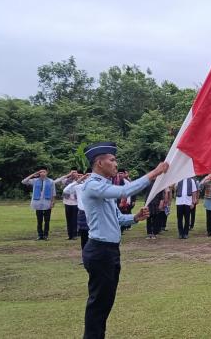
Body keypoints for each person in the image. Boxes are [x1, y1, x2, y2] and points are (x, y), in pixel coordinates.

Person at [80, 141, 169, 339]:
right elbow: (123, 192)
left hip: (109, 251)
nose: (115, 163)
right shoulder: (93, 186)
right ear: (99, 163)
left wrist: (135, 218)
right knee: (99, 304)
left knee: (105, 302)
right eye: (112, 160)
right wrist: (154, 173)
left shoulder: (104, 186)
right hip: (100, 251)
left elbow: (117, 218)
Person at [21, 166, 56, 240]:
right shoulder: (35, 180)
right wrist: (34, 174)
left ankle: (46, 235)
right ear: (39, 173)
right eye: (40, 172)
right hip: (38, 203)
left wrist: (52, 202)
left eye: (44, 172)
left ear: (47, 172)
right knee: (39, 220)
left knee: (47, 220)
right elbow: (24, 181)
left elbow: (53, 193)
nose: (42, 173)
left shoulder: (51, 181)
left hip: (47, 202)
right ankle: (40, 235)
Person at [63, 171, 91, 252]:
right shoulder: (79, 187)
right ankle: (85, 256)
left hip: (94, 213)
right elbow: (66, 190)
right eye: (87, 176)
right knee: (84, 236)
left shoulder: (96, 187)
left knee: (94, 236)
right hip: (83, 213)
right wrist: (79, 180)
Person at [56, 167, 80, 240]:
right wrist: (67, 175)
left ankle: (75, 234)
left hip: (76, 202)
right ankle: (70, 235)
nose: (73, 174)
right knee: (68, 219)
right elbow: (57, 181)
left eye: (75, 172)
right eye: (72, 172)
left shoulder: (80, 181)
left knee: (75, 219)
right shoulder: (67, 180)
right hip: (67, 202)